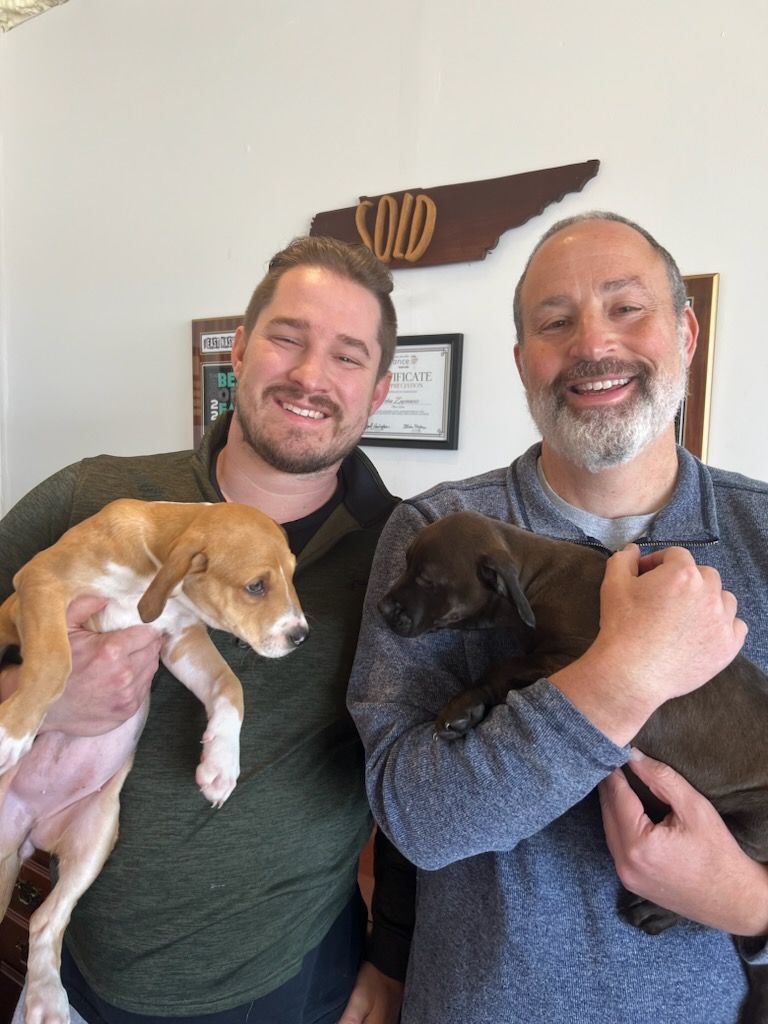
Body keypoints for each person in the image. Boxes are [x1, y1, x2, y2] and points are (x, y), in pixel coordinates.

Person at [348, 211, 768, 1024]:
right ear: (521, 361)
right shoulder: (435, 530)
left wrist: (750, 902)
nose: (591, 343)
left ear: (685, 332)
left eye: (626, 308)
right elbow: (415, 817)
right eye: (554, 322)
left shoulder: (764, 535)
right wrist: (621, 678)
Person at [0, 236, 415, 1024]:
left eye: (348, 356)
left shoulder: (401, 551)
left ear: (379, 388)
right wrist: (36, 690)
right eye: (287, 337)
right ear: (240, 348)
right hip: (83, 974)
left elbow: (409, 768)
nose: (309, 376)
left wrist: (390, 958)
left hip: (296, 983)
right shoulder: (100, 496)